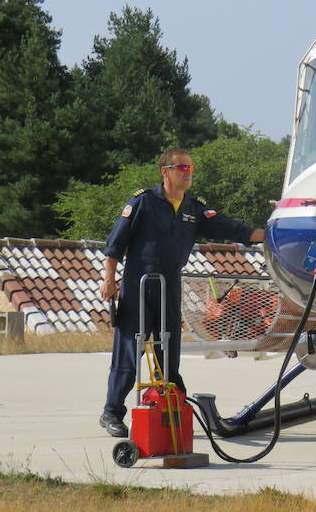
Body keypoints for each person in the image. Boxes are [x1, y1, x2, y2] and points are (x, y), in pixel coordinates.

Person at [98, 148, 265, 437]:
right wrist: (109, 280)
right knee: (129, 350)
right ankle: (112, 413)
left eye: (191, 168)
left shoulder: (194, 208)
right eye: (182, 168)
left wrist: (271, 233)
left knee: (169, 351)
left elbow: (232, 228)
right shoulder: (143, 202)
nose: (188, 173)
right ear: (166, 172)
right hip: (139, 283)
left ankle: (172, 408)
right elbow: (115, 244)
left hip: (170, 285)